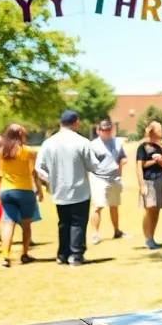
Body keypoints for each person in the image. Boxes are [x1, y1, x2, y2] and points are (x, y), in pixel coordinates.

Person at [35, 110, 120, 266]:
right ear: (76, 122)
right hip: (79, 189)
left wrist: (49, 181)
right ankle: (76, 255)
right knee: (78, 222)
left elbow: (39, 168)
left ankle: (62, 255)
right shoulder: (82, 142)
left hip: (59, 190)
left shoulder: (48, 143)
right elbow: (93, 166)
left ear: (60, 123)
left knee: (63, 222)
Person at [0, 123, 44, 267]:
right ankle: (24, 254)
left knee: (8, 223)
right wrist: (40, 191)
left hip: (6, 190)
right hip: (24, 190)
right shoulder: (28, 151)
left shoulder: (0, 151)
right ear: (21, 135)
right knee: (26, 224)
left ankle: (5, 257)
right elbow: (33, 173)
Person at [89, 120, 128, 245]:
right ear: (98, 131)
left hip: (114, 178)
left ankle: (117, 231)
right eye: (104, 130)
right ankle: (95, 234)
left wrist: (122, 163)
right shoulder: (93, 145)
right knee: (98, 206)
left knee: (114, 206)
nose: (107, 132)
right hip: (99, 178)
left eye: (109, 129)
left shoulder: (117, 142)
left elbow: (122, 157)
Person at [136, 121, 162, 249]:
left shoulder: (161, 147)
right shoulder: (143, 147)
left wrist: (161, 160)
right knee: (148, 209)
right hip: (147, 181)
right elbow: (140, 166)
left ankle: (152, 237)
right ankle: (147, 238)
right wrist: (141, 185)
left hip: (159, 179)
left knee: (156, 209)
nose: (161, 132)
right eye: (159, 129)